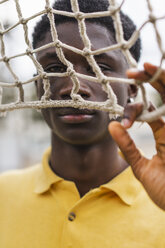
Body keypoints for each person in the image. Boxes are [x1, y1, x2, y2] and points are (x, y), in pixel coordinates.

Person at [0, 0, 165, 247]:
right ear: (37, 85)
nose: (73, 88)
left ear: (131, 86)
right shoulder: (4, 193)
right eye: (55, 68)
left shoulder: (159, 200)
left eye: (99, 67)